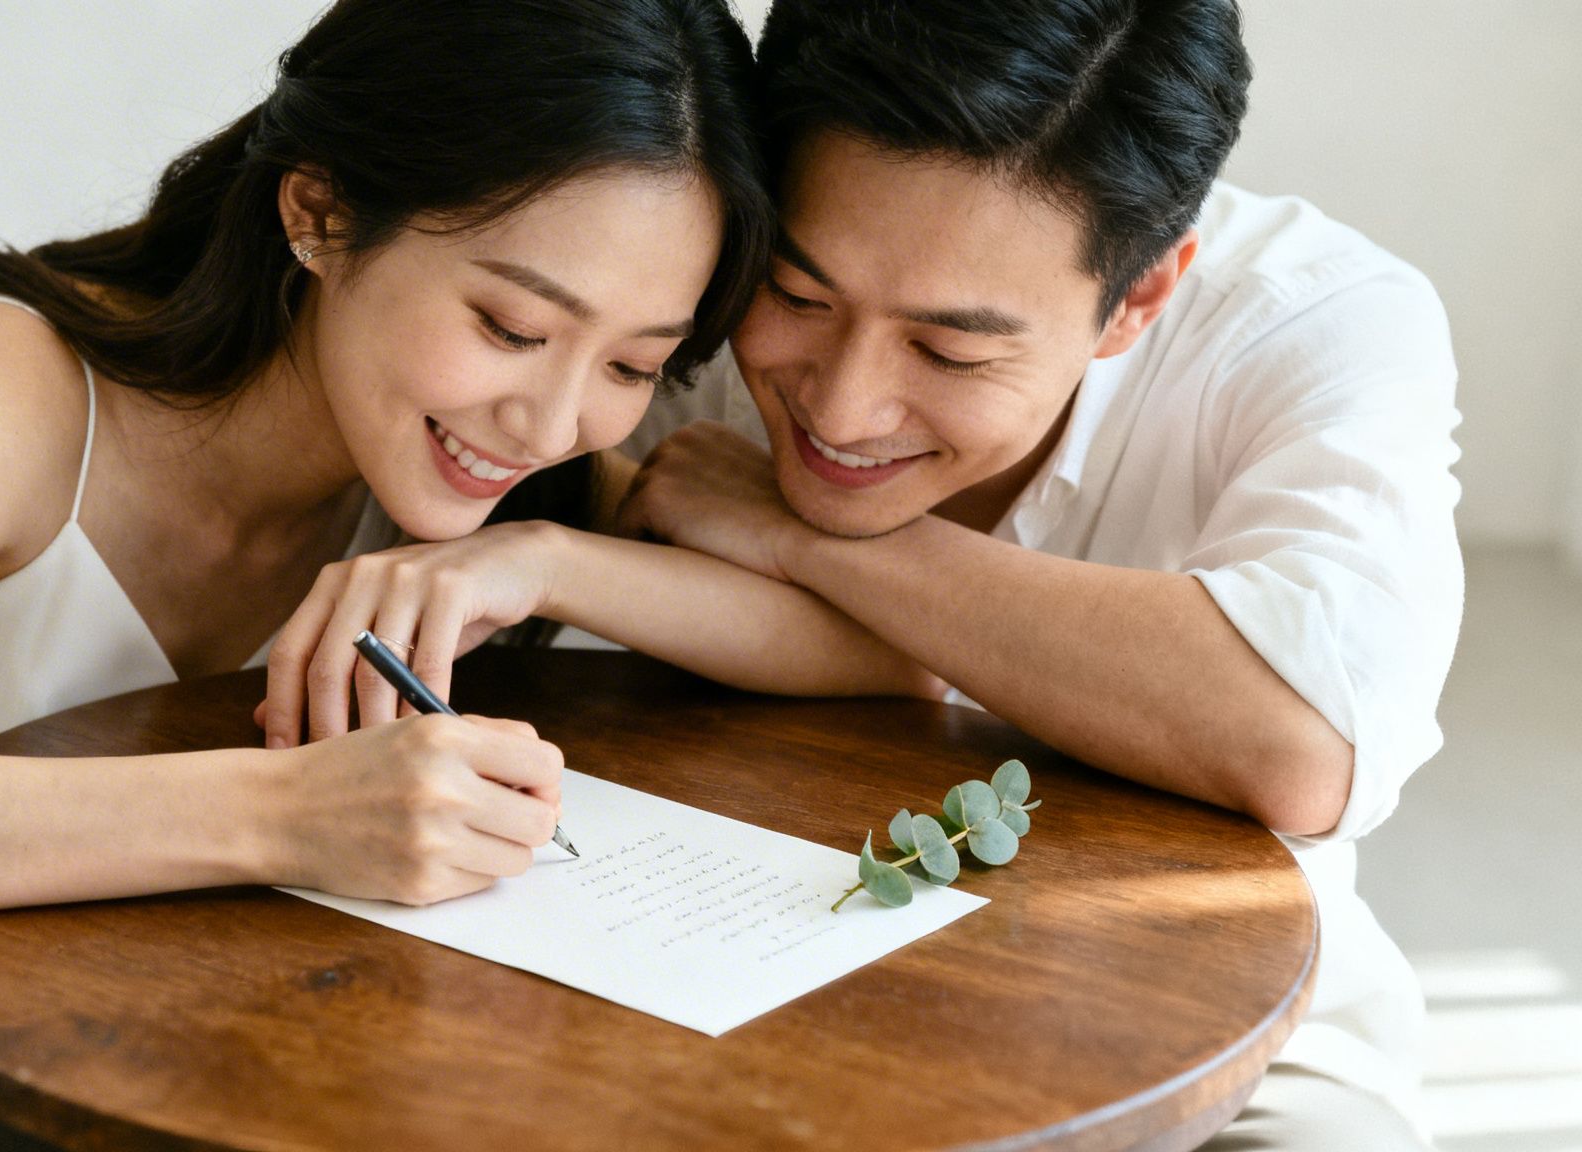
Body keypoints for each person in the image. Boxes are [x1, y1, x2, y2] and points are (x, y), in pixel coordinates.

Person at [0, 2, 781, 1147]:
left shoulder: (500, 487)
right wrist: (286, 815)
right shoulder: (14, 385)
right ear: (319, 213)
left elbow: (842, 645)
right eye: (511, 328)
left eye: (632, 366)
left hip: (165, 1078)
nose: (551, 422)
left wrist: (546, 558)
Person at [266, 1, 1462, 1147]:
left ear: (1135, 299)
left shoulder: (1307, 326)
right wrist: (554, 554)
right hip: (700, 975)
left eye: (948, 351)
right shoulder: (685, 255)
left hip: (1211, 1034)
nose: (838, 409)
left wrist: (801, 535)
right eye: (797, 296)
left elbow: (1304, 740)